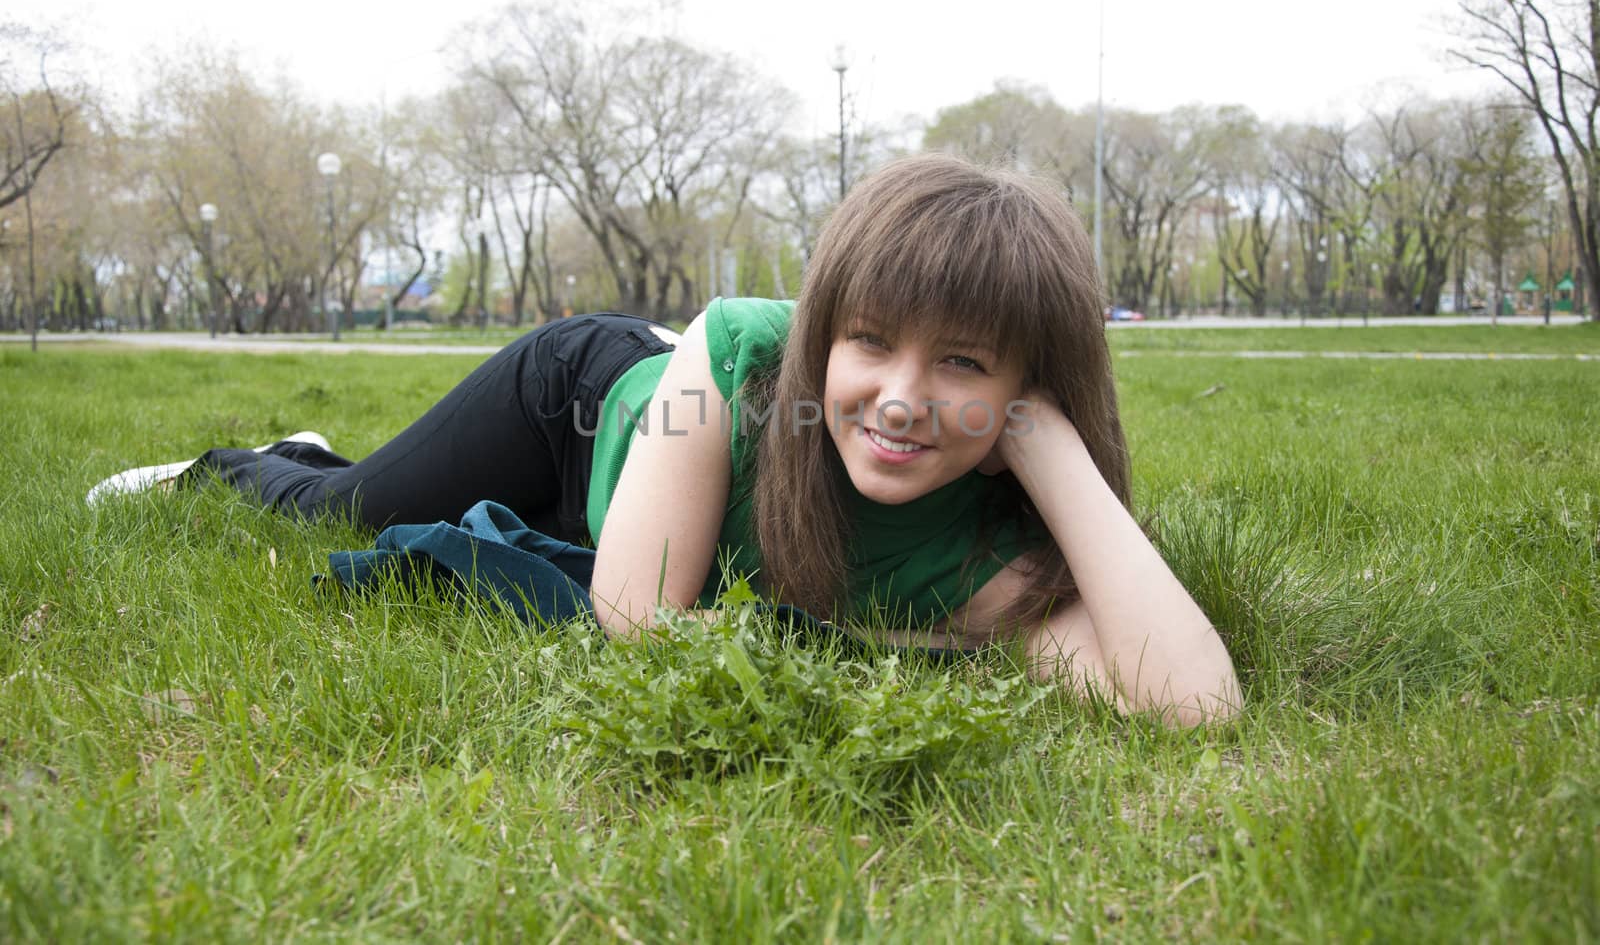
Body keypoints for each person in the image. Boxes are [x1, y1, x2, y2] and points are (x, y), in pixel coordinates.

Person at [91, 155, 1238, 727]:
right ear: (821, 337)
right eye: (870, 342)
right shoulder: (742, 351)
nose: (897, 397)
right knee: (346, 509)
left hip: (638, 492)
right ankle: (249, 460)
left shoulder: (998, 553)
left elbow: (1196, 704)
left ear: (1032, 387)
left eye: (965, 364)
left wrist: (1048, 450)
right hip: (583, 405)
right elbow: (638, 624)